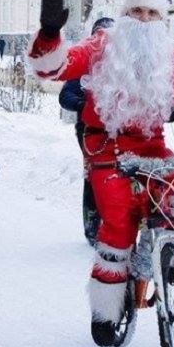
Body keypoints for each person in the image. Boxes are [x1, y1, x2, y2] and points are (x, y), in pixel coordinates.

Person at [28, 0, 174, 347]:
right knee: (120, 213)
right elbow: (55, 69)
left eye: (152, 14)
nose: (144, 20)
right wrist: (49, 34)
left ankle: (169, 253)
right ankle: (105, 310)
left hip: (151, 145)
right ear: (124, 16)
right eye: (136, 12)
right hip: (106, 144)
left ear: (162, 21)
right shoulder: (101, 46)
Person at [58, 17, 114, 245]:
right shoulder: (86, 63)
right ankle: (92, 224)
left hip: (118, 130)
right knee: (94, 174)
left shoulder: (123, 65)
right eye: (100, 35)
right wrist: (83, 104)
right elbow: (65, 96)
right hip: (88, 130)